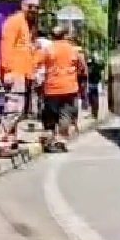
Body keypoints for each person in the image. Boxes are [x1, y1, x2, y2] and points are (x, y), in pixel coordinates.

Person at [0, 0, 40, 158]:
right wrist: (8, 71)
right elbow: (6, 46)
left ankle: (10, 141)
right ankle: (2, 142)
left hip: (23, 73)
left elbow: (27, 51)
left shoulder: (27, 26)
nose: (34, 9)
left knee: (19, 109)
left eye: (36, 7)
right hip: (15, 73)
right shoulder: (14, 22)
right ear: (22, 5)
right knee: (14, 108)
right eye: (30, 6)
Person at [38, 25, 85, 153]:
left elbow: (37, 62)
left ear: (52, 36)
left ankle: (50, 139)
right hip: (69, 88)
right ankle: (61, 141)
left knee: (51, 115)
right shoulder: (73, 50)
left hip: (51, 88)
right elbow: (82, 68)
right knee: (65, 115)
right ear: (65, 35)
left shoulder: (48, 49)